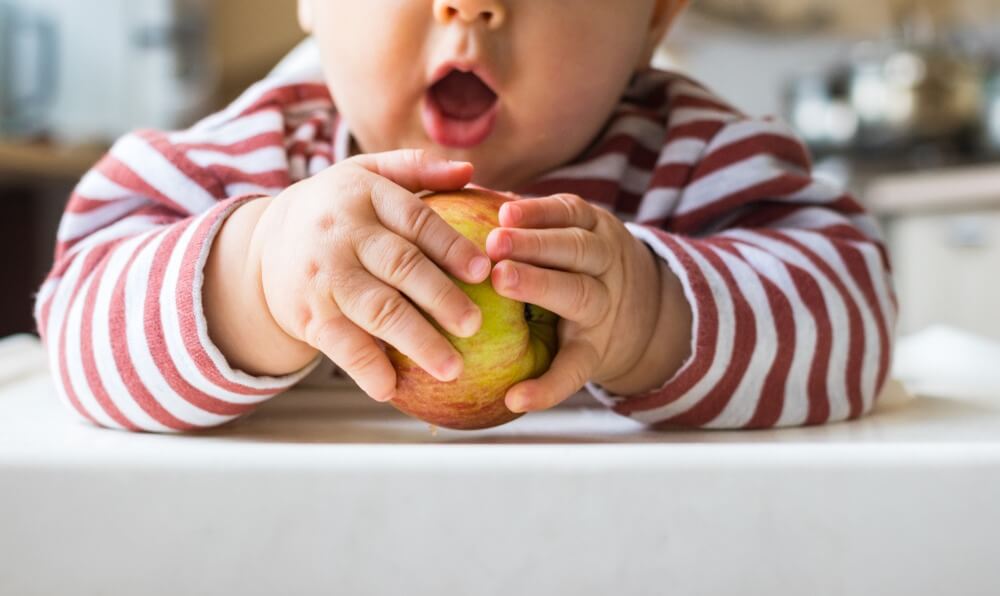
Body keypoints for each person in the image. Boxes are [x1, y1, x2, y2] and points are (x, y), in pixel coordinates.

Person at [34, 0, 895, 432]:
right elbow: (76, 316)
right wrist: (256, 274)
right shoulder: (247, 161)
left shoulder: (697, 162)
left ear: (654, 19)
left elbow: (855, 312)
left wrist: (651, 314)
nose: (473, 4)